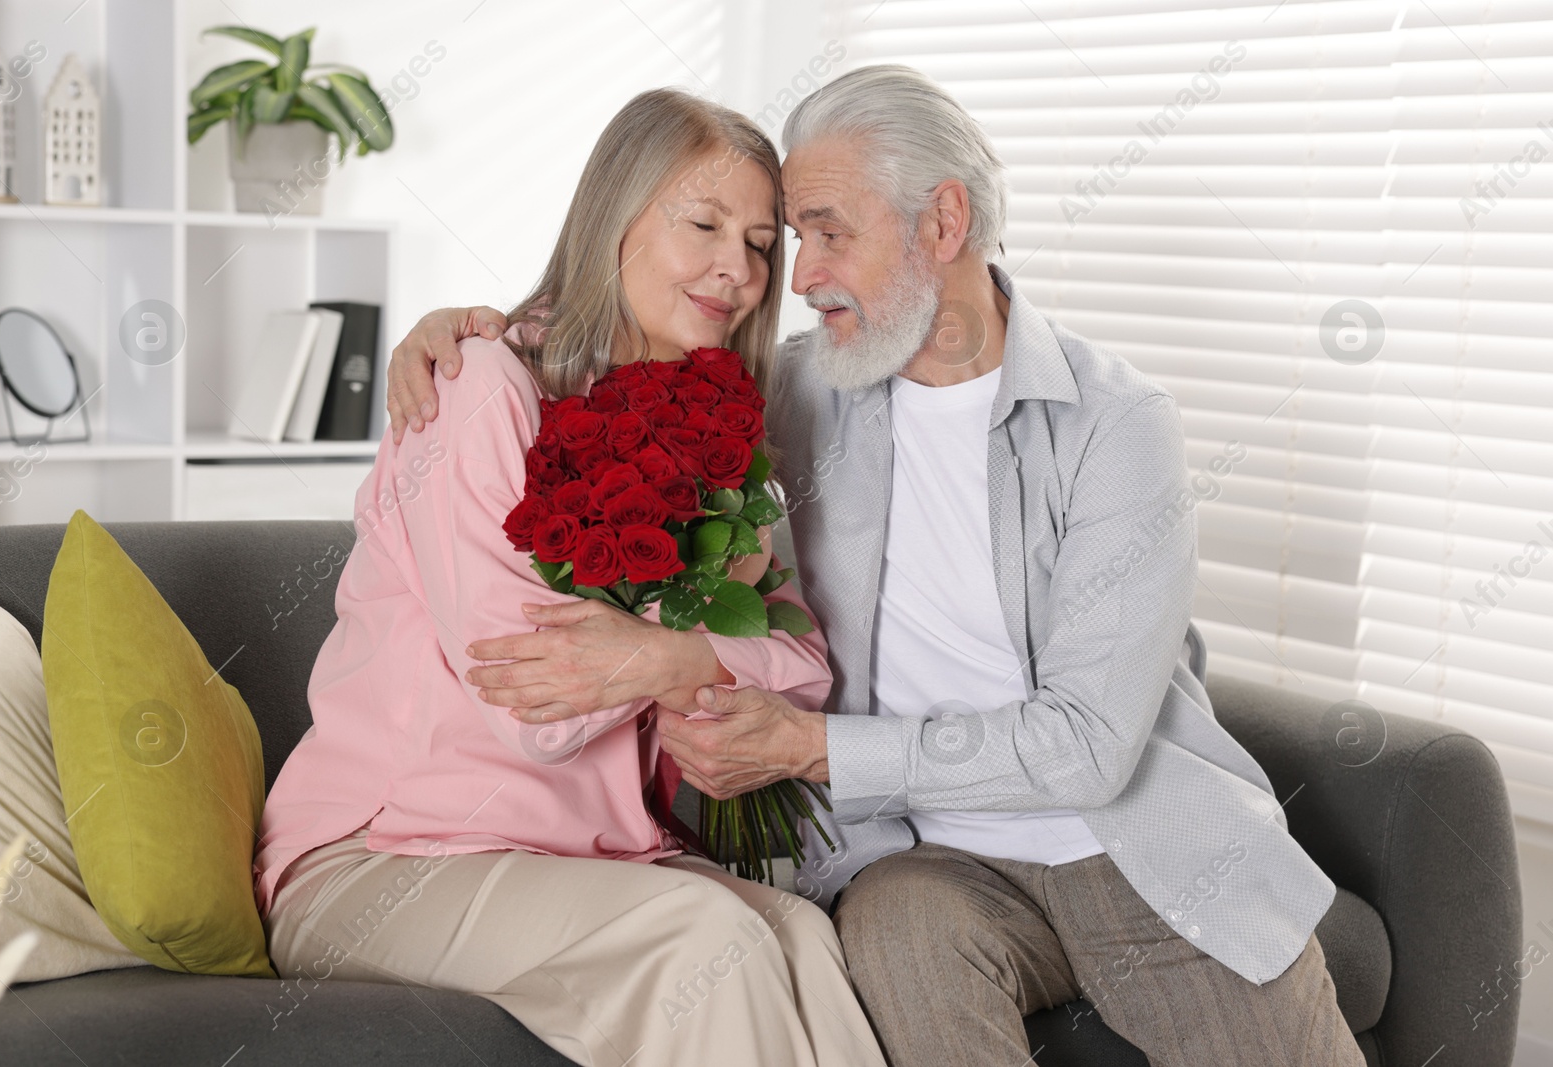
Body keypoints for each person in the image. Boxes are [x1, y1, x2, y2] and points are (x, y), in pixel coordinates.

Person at [385, 65, 1366, 1066]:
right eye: (794, 241)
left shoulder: (1113, 422)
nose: (796, 276)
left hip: (1133, 846)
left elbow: (1089, 747)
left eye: (824, 232)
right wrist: (464, 330)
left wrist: (813, 746)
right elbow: (608, 349)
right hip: (917, 859)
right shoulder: (784, 395)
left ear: (942, 222)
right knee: (899, 937)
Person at [255, 87, 887, 1067]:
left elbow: (802, 670)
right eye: (704, 223)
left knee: (802, 936)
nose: (740, 268)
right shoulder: (477, 388)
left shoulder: (725, 433)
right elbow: (538, 709)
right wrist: (694, 663)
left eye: (762, 242)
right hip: (381, 857)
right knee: (704, 939)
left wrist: (667, 655)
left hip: (591, 856)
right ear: (614, 219)